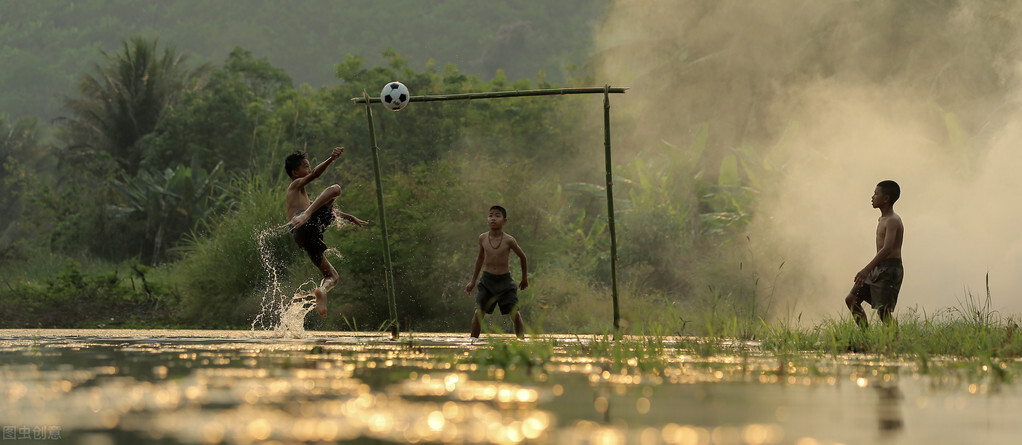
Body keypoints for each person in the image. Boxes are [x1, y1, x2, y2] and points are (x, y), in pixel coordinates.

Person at [284, 147, 368, 318]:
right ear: (295, 172)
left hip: (303, 236)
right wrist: (331, 158)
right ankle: (307, 215)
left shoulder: (305, 200)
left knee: (332, 276)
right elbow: (315, 174)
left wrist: (350, 218)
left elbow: (330, 210)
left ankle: (322, 290)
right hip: (303, 221)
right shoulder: (294, 185)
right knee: (336, 188)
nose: (309, 169)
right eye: (305, 166)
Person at [845, 180, 904, 328]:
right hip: (878, 268)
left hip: (890, 269)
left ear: (886, 199)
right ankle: (866, 337)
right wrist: (871, 269)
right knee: (851, 299)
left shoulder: (893, 220)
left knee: (883, 312)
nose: (872, 197)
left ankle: (894, 343)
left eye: (876, 194)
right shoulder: (882, 219)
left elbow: (887, 249)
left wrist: (866, 269)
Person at [465, 205, 529, 339]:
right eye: (490, 215)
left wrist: (524, 278)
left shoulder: (509, 240)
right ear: (487, 219)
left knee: (514, 313)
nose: (493, 218)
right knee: (479, 313)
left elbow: (523, 257)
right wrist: (473, 281)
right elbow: (480, 259)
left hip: (505, 281)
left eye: (497, 216)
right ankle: (472, 342)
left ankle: (522, 341)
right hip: (487, 281)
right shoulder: (482, 238)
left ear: (504, 221)